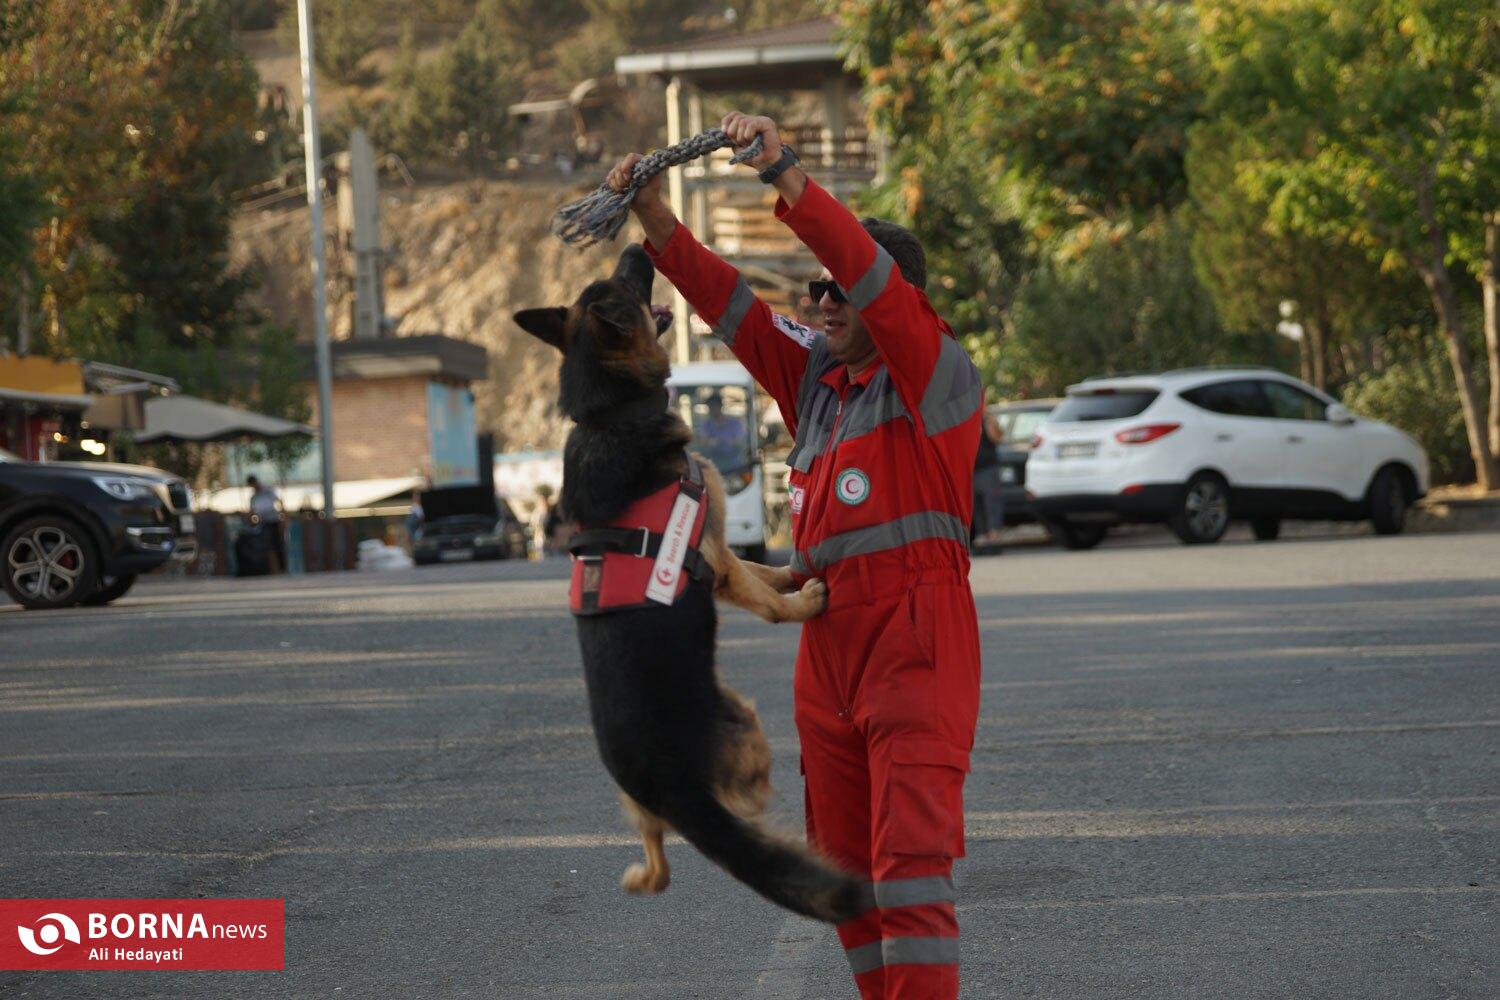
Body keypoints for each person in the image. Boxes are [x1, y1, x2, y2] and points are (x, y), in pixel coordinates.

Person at [608, 110, 983, 1000]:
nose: (821, 304)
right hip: (831, 640)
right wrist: (655, 218)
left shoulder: (934, 373)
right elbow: (735, 307)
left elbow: (867, 272)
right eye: (814, 291)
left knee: (910, 867)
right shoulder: (819, 378)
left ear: (889, 299)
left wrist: (784, 173)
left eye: (838, 290)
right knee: (841, 870)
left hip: (916, 639)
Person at [971, 402, 1005, 554]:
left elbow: (996, 438)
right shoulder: (965, 419)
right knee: (976, 504)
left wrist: (988, 420)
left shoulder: (987, 419)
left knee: (991, 501)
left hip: (988, 467)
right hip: (971, 469)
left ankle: (994, 534)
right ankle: (982, 535)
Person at [696, 393, 749, 471]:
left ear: (720, 406)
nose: (712, 409)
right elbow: (703, 442)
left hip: (735, 466)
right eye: (710, 407)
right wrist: (715, 442)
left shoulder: (735, 423)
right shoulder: (706, 425)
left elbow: (740, 441)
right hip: (714, 465)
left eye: (714, 406)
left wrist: (719, 442)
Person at [246, 475, 285, 573]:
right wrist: (252, 521)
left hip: (273, 521)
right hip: (263, 523)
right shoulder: (254, 497)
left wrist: (283, 516)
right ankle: (269, 568)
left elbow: (278, 502)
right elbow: (252, 512)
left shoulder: (268, 491)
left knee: (277, 544)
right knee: (266, 545)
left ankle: (282, 567)